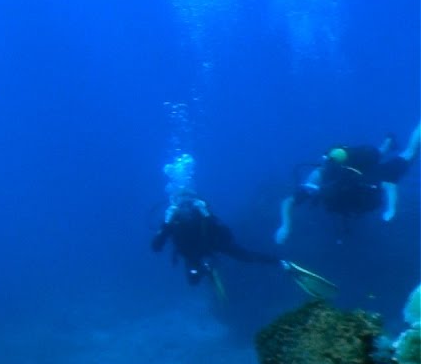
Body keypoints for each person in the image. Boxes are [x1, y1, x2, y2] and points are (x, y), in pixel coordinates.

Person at [275, 121, 420, 245]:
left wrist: (391, 209)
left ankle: (400, 136)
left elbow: (389, 185)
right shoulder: (317, 180)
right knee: (379, 153)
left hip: (371, 172)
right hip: (355, 178)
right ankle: (388, 142)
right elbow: (288, 201)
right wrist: (285, 226)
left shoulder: (352, 178)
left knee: (409, 153)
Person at [154, 190, 284, 291]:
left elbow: (226, 236)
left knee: (245, 256)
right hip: (191, 254)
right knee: (194, 280)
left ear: (195, 202)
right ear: (175, 205)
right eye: (181, 204)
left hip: (212, 244)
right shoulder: (172, 221)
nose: (186, 208)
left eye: (189, 203)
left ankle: (281, 262)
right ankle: (208, 268)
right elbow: (156, 247)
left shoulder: (202, 214)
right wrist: (166, 223)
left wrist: (207, 215)